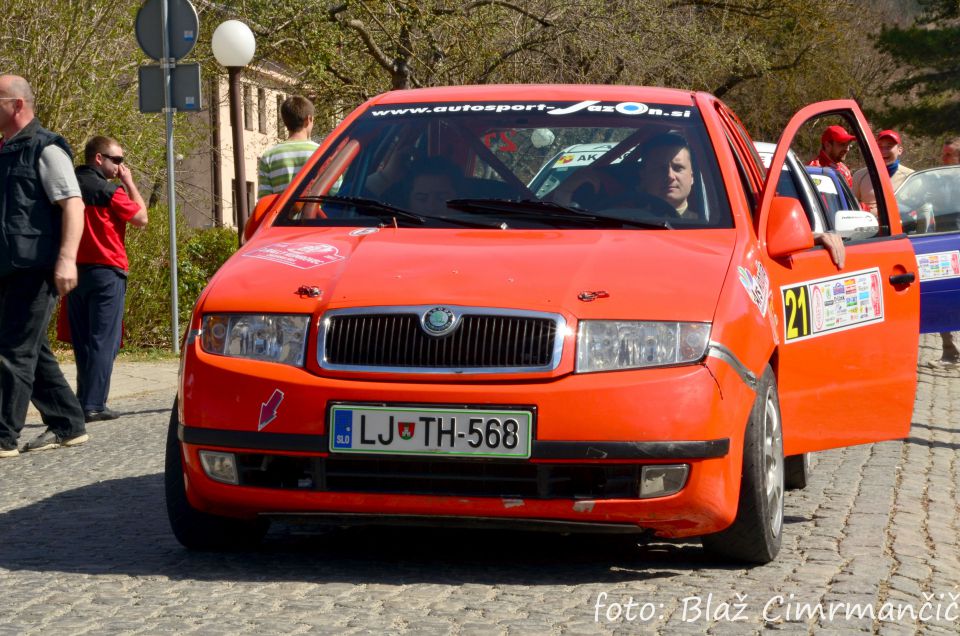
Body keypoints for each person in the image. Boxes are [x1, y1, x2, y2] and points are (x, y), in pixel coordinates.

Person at [0, 75, 88, 458]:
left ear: (17, 104)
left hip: (35, 269)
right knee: (32, 349)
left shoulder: (46, 149)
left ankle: (3, 437)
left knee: (13, 350)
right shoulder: (5, 150)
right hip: (9, 268)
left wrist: (67, 259)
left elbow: (73, 205)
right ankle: (68, 423)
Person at [68, 136, 148, 421]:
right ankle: (94, 405)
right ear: (98, 158)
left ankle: (81, 400)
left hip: (74, 271)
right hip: (107, 270)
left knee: (83, 340)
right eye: (117, 160)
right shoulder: (109, 191)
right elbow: (142, 218)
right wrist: (130, 183)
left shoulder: (67, 184)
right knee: (105, 340)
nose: (121, 166)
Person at [257, 96, 319, 199]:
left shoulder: (269, 156)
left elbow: (264, 200)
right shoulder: (322, 152)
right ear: (308, 119)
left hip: (282, 215)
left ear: (285, 121)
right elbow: (335, 191)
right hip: (314, 215)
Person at [851, 129, 914, 216]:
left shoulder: (911, 176)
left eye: (889, 147)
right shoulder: (860, 175)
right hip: (870, 227)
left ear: (900, 150)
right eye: (880, 147)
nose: (884, 151)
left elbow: (922, 209)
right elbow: (851, 207)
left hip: (902, 227)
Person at [937, 136, 960, 364]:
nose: (943, 159)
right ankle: (949, 350)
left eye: (948, 155)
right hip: (944, 246)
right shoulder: (940, 180)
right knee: (945, 299)